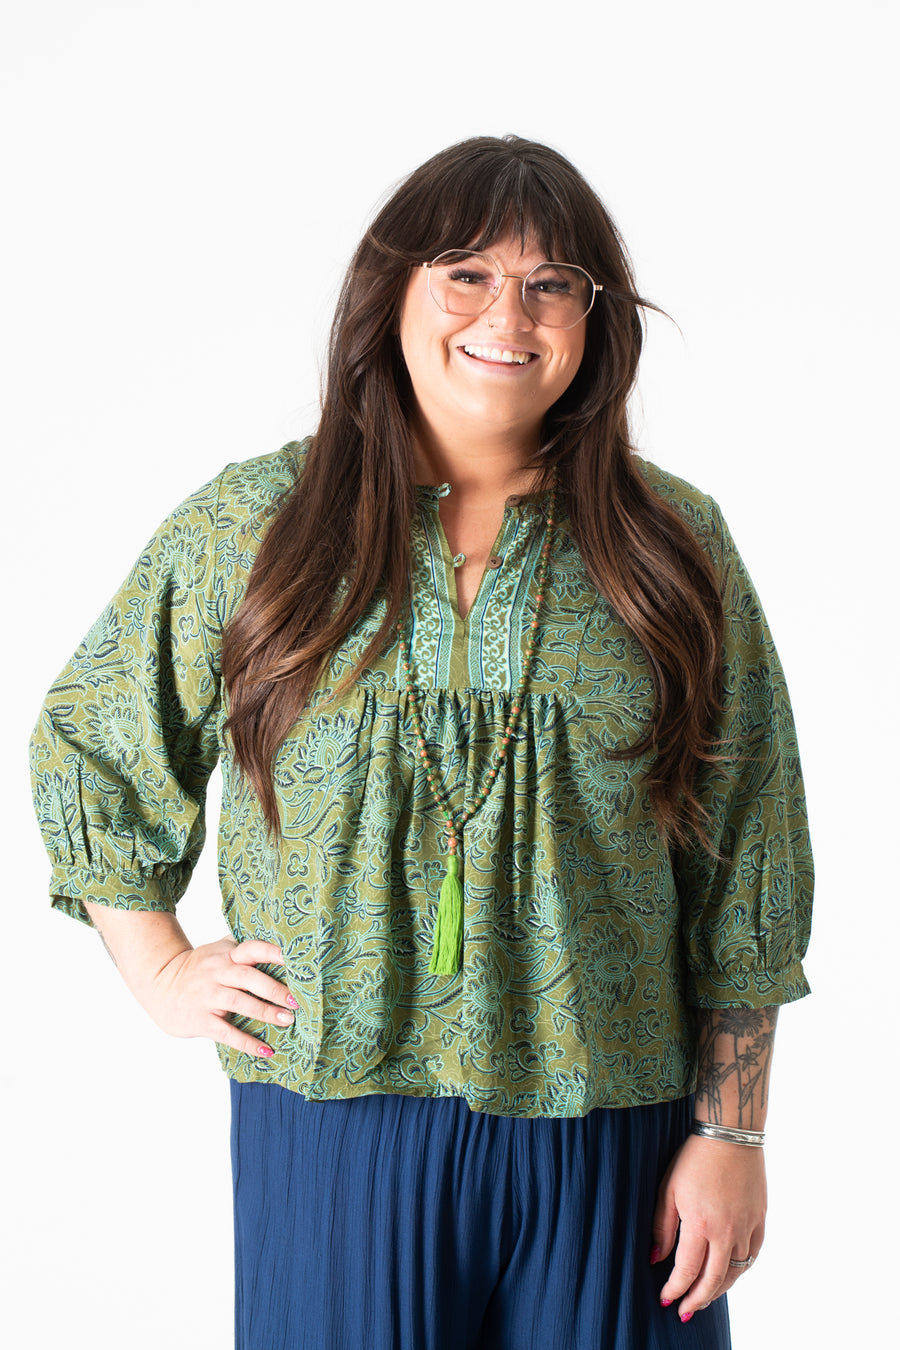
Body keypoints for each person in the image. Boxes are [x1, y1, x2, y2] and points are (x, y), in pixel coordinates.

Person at [29, 134, 813, 1350]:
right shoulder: (256, 528)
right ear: (389, 292)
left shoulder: (673, 544)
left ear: (594, 318)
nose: (509, 314)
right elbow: (94, 741)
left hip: (617, 1131)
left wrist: (733, 1130)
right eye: (466, 274)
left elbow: (747, 845)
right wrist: (161, 970)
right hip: (334, 1116)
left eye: (551, 283)